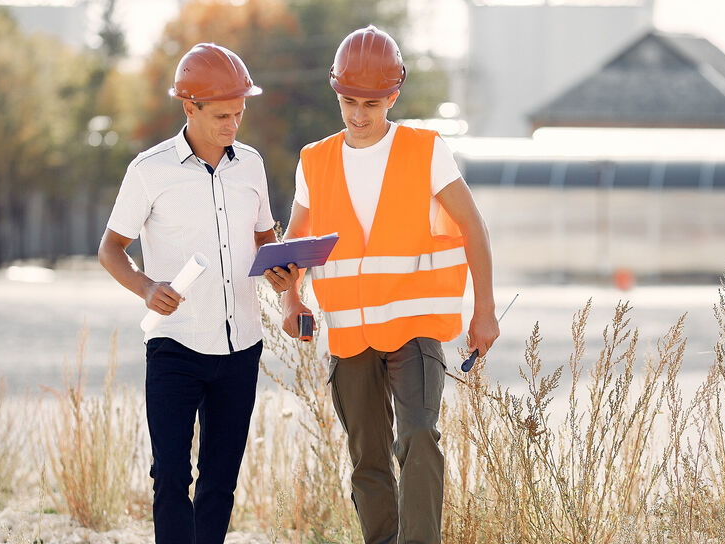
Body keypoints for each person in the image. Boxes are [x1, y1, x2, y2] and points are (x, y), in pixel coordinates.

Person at [269, 25, 499, 544]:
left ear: (392, 96)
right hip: (350, 335)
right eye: (348, 100)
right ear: (336, 93)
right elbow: (296, 243)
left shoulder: (426, 149)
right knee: (366, 458)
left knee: (418, 434)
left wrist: (484, 312)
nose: (358, 114)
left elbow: (473, 226)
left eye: (371, 103)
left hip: (415, 327)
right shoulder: (316, 160)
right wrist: (290, 297)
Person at [98, 43, 279, 544]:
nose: (232, 125)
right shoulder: (149, 170)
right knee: (172, 476)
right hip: (175, 346)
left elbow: (265, 238)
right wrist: (146, 286)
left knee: (220, 484)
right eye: (222, 115)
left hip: (242, 346)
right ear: (189, 107)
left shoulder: (252, 167)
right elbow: (111, 249)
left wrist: (281, 269)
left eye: (240, 113)